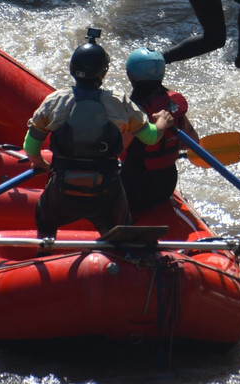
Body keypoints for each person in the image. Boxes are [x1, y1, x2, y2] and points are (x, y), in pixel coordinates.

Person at [23, 30, 174, 238]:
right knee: (122, 228)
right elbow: (150, 137)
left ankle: (45, 246)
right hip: (106, 192)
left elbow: (30, 146)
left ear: (71, 69)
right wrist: (161, 123)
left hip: (63, 190)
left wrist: (38, 162)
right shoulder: (119, 102)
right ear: (104, 74)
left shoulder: (54, 101)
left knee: (44, 217)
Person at [121, 48, 199, 214]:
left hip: (136, 187)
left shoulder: (133, 110)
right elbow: (192, 142)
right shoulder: (172, 105)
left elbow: (117, 150)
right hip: (166, 184)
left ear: (130, 76)